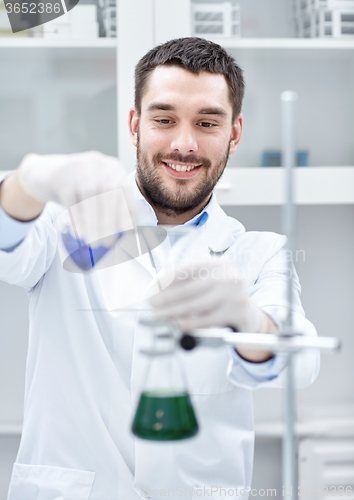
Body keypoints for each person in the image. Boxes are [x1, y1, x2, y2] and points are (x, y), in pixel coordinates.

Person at [0, 38, 319, 500]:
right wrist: (25, 186)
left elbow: (300, 361)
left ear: (235, 132)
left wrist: (250, 323)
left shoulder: (260, 252)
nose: (184, 144)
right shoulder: (64, 222)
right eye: (164, 119)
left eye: (207, 122)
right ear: (135, 125)